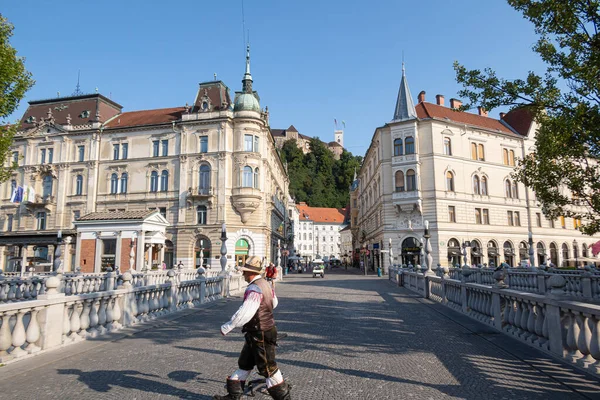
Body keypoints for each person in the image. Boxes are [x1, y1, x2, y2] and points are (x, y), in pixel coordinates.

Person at [214, 256, 291, 400]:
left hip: (260, 332)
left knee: (268, 368)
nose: (243, 274)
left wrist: (228, 326)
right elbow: (274, 303)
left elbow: (245, 312)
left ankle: (284, 398)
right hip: (259, 331)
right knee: (245, 364)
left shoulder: (254, 288)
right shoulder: (265, 284)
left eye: (245, 272)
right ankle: (233, 396)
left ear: (250, 273)